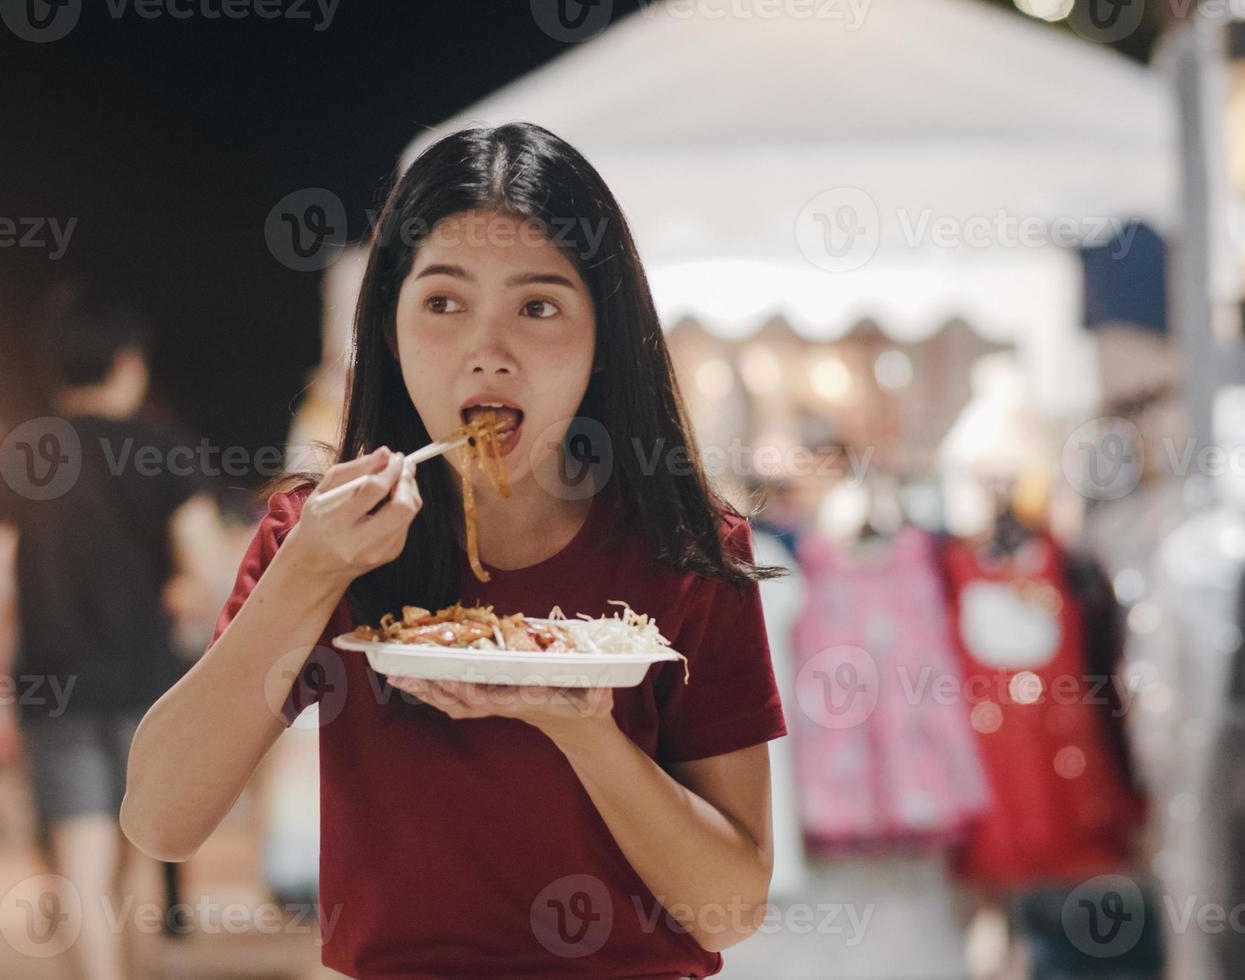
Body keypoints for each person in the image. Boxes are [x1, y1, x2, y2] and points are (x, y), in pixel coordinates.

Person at [123, 123, 789, 979]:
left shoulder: (685, 544)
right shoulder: (320, 532)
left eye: (538, 306)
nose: (488, 352)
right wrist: (311, 575)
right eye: (443, 303)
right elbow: (159, 819)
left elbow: (731, 908)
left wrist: (584, 731)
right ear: (391, 327)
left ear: (604, 336)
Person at [0, 287, 225, 980]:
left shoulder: (22, 447)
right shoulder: (164, 446)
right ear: (129, 362)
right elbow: (208, 571)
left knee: (79, 870)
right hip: (149, 686)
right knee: (134, 871)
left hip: (55, 685)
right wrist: (176, 591)